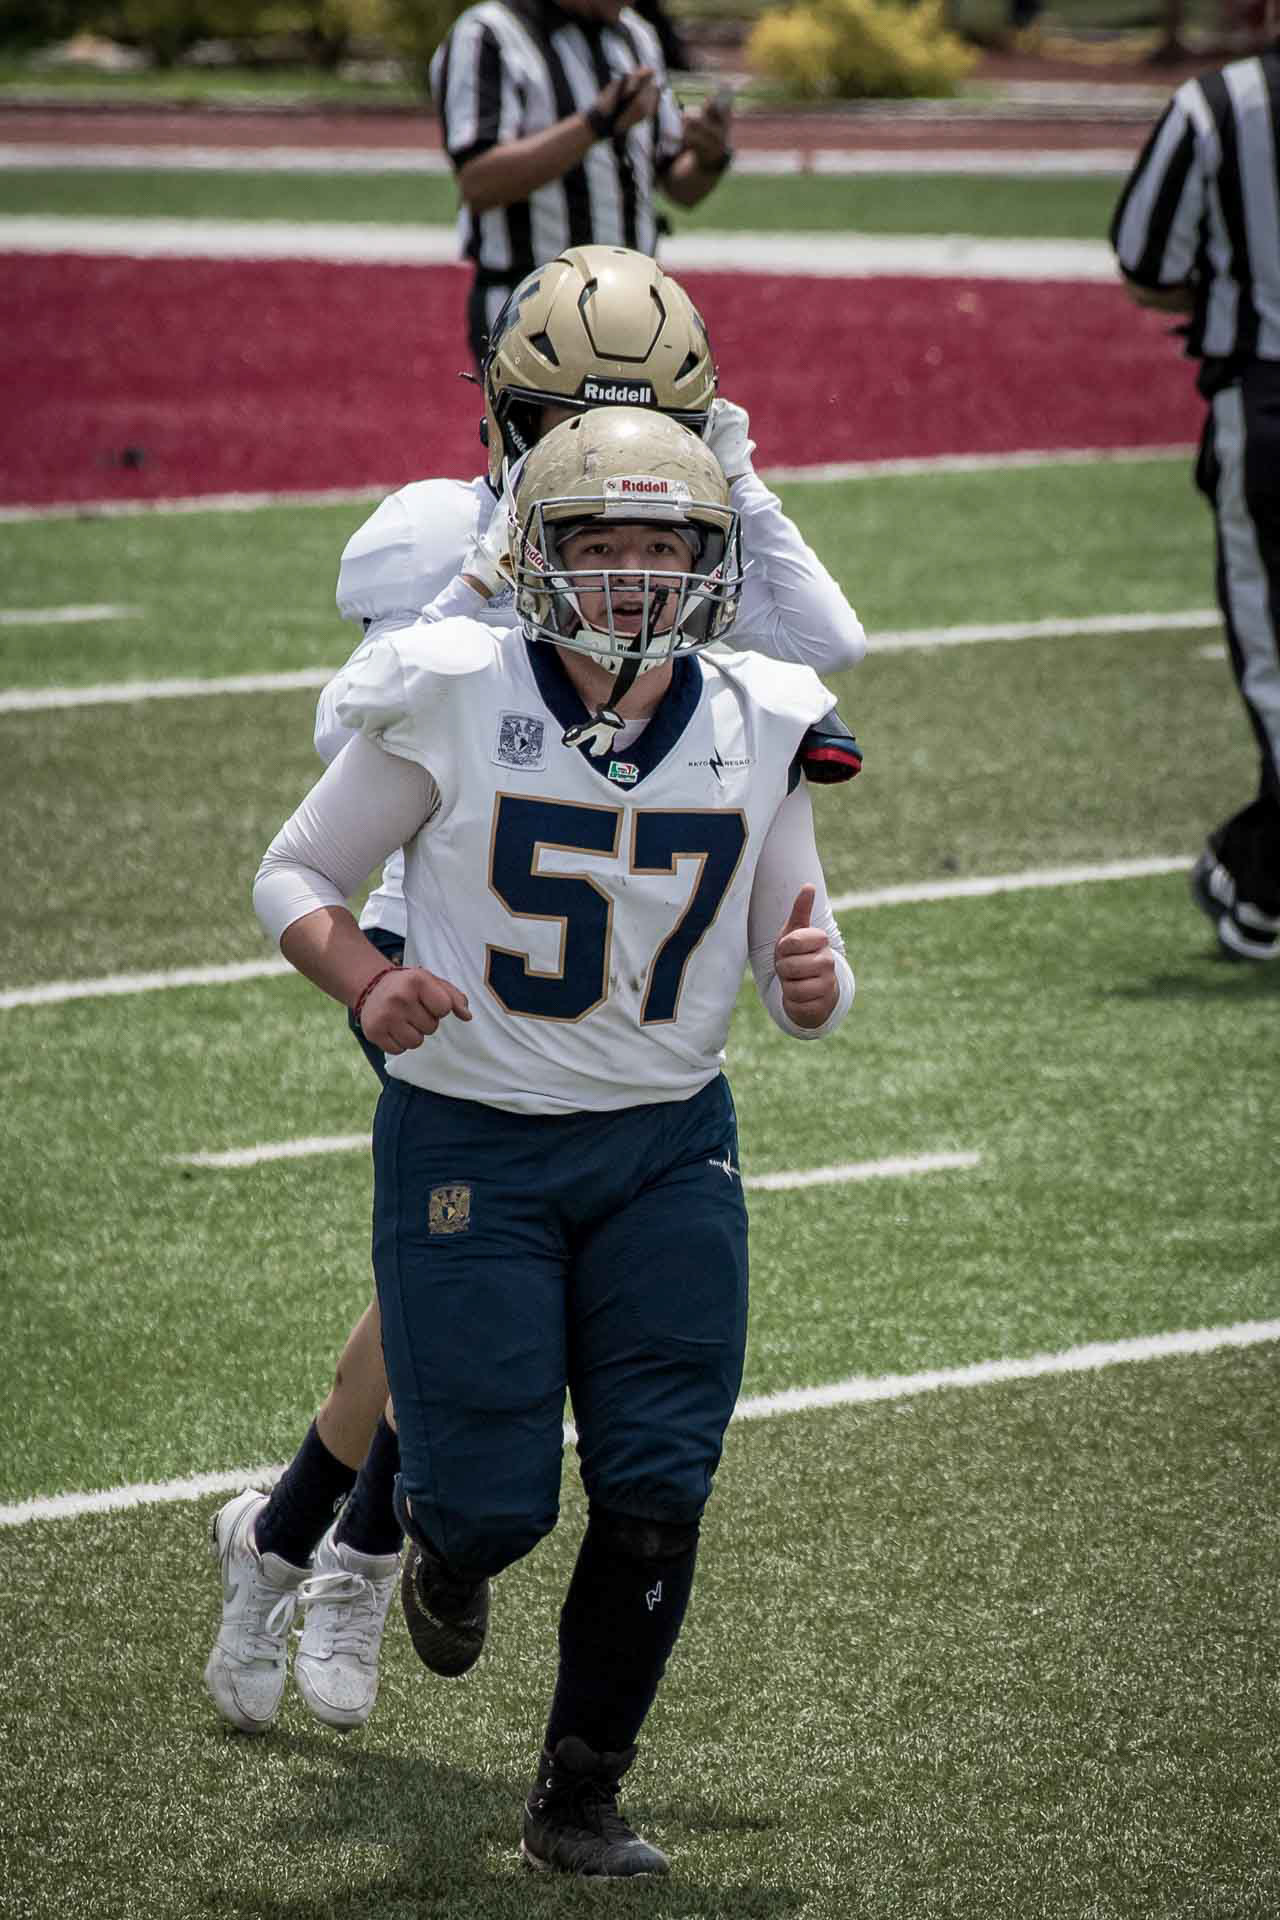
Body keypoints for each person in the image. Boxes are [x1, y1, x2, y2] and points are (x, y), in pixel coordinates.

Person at [203, 244, 866, 1740]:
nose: (612, 452)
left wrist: (734, 483)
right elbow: (346, 743)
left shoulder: (678, 533)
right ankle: (356, 1549)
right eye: (569, 419)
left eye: (661, 427)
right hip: (443, 936)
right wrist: (494, 564)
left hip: (621, 944)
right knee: (478, 1287)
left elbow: (824, 651)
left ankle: (302, 1536)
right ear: (510, 419)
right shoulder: (450, 534)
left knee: (453, 1301)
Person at [1110, 43, 1280, 962]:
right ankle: (1256, 886)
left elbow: (1145, 261)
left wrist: (1234, 291)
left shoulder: (1220, 103)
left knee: (1273, 664)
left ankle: (1258, 876)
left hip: (1267, 405)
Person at [428, 0, 733, 365]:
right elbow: (478, 182)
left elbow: (680, 187)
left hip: (634, 309)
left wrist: (709, 157)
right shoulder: (489, 33)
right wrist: (594, 125)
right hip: (531, 312)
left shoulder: (636, 35)